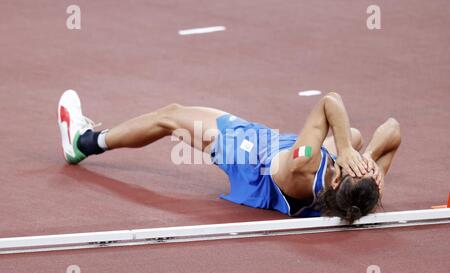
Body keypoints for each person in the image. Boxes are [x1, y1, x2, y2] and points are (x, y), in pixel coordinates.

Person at [58, 90, 401, 223]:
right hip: (278, 155)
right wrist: (365, 155)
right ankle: (87, 141)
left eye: (353, 167)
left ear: (339, 175)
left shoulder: (306, 161)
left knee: (170, 116)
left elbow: (331, 101)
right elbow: (393, 130)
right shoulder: (362, 196)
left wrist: (344, 151)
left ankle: (84, 142)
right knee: (354, 133)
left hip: (248, 155)